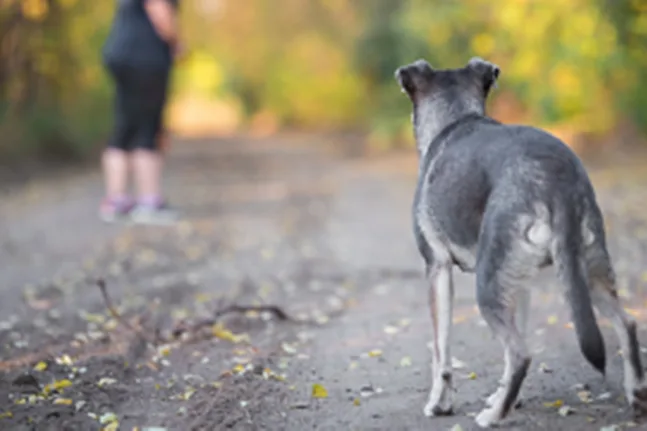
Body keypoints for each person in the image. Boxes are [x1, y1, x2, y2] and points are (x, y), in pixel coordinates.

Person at [99, 0, 182, 224]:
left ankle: (116, 200)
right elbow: (159, 10)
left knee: (124, 128)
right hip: (146, 58)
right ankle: (149, 201)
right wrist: (176, 43)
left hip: (121, 54)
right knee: (148, 128)